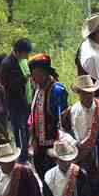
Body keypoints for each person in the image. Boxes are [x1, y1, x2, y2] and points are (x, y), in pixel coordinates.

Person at [60, 74, 99, 190]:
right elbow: (62, 133)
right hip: (81, 157)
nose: (88, 95)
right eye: (85, 92)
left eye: (90, 92)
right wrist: (73, 142)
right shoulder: (69, 113)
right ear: (79, 93)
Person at [28, 53, 69, 181]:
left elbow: (64, 122)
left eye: (37, 74)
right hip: (39, 145)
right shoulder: (38, 89)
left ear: (45, 73)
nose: (34, 78)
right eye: (33, 75)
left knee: (53, 177)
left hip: (53, 145)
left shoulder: (57, 91)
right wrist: (33, 139)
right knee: (41, 172)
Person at [0, 38, 33, 161]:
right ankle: (21, 156)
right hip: (15, 104)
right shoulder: (7, 64)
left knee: (27, 128)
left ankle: (25, 151)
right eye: (26, 53)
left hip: (26, 101)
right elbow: (8, 85)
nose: (27, 56)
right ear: (19, 51)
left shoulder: (23, 61)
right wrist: (24, 79)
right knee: (18, 130)